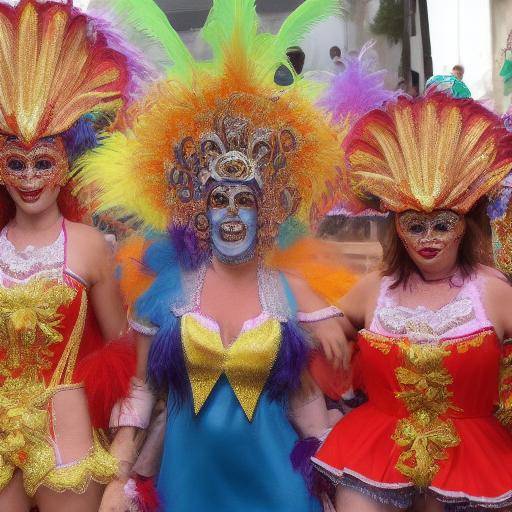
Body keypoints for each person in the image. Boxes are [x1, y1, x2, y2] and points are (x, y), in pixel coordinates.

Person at [76, 0, 354, 511]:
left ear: (265, 212)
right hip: (190, 486)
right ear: (197, 210)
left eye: (244, 200)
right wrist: (119, 476)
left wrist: (333, 477)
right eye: (218, 199)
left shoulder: (286, 291)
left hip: (278, 487)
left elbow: (304, 396)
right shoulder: (168, 293)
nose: (230, 213)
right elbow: (142, 391)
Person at [311, 93, 512, 511]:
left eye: (442, 224)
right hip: (375, 454)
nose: (429, 239)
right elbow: (306, 309)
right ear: (396, 226)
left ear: (465, 225)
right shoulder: (375, 288)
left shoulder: (491, 292)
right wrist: (322, 321)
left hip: (475, 462)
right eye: (415, 225)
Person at [0, 1, 146, 510]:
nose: (30, 178)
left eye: (43, 162)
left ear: (65, 162)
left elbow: (121, 352)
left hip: (69, 432)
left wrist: (122, 456)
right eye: (15, 163)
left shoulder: (85, 244)